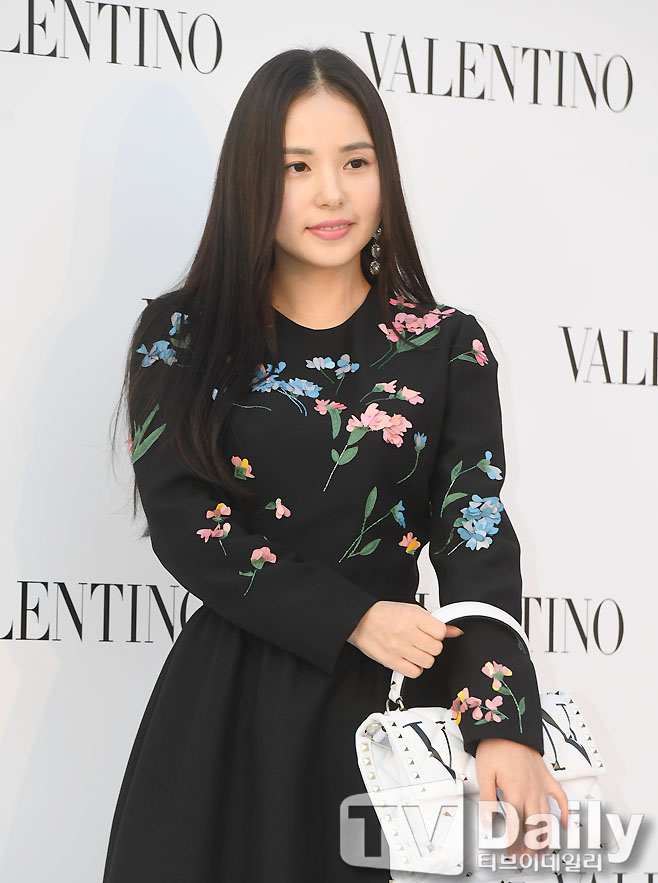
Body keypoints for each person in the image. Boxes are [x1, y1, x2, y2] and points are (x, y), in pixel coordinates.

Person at [104, 46, 568, 882]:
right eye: (297, 166)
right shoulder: (181, 337)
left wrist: (502, 723)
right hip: (223, 721)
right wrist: (354, 616)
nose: (331, 193)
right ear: (252, 180)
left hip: (389, 723)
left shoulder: (445, 346)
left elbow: (476, 539)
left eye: (355, 162)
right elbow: (187, 525)